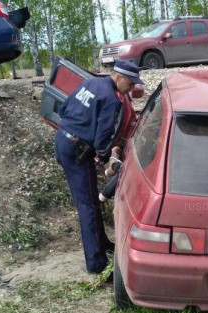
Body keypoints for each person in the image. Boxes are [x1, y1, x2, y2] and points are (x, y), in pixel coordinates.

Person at [54, 59, 143, 276]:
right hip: (77, 150)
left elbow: (65, 107)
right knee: (88, 206)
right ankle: (96, 264)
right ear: (119, 77)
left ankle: (101, 244)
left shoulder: (91, 83)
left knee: (92, 200)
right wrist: (108, 160)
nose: (131, 88)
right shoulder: (112, 99)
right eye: (130, 84)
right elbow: (103, 137)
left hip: (63, 140)